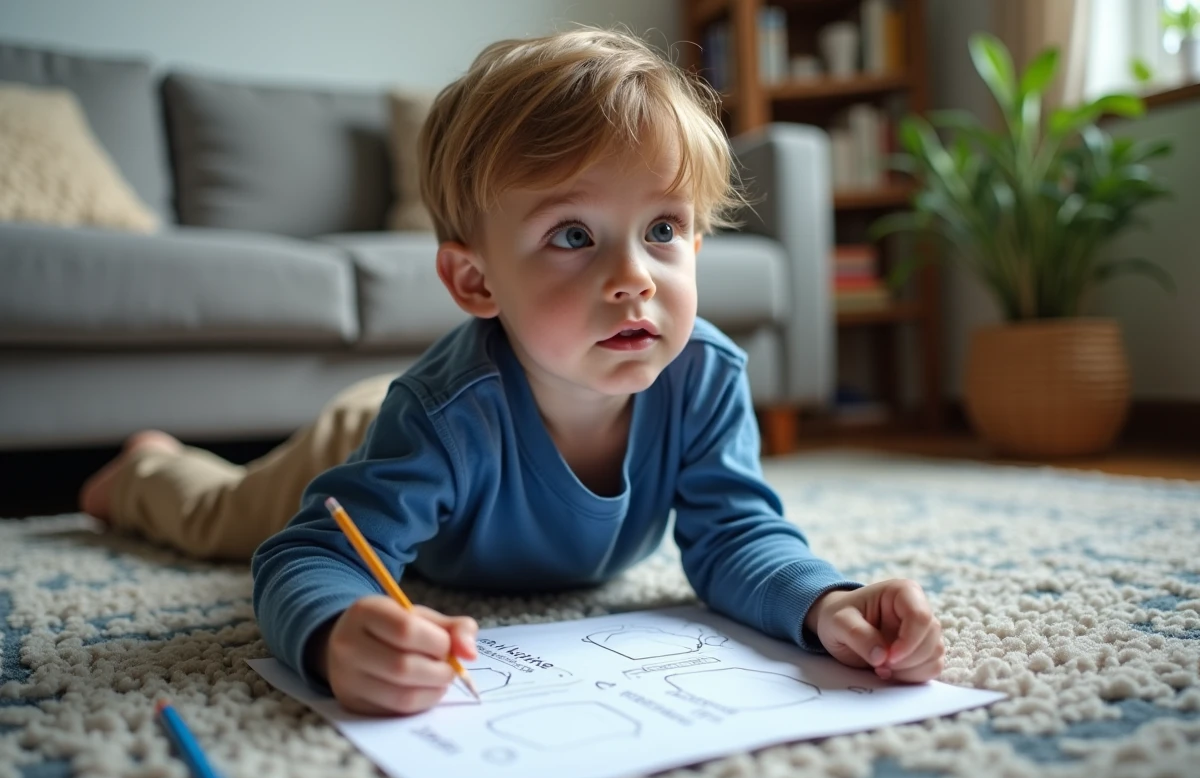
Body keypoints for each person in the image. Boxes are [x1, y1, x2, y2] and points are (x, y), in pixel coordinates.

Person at [84, 28, 945, 716]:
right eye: (573, 235)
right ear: (475, 281)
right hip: (363, 435)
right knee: (221, 520)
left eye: (662, 229)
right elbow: (308, 554)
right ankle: (146, 468)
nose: (636, 278)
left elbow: (736, 535)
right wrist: (338, 631)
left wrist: (826, 604)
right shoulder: (437, 418)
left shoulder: (704, 376)